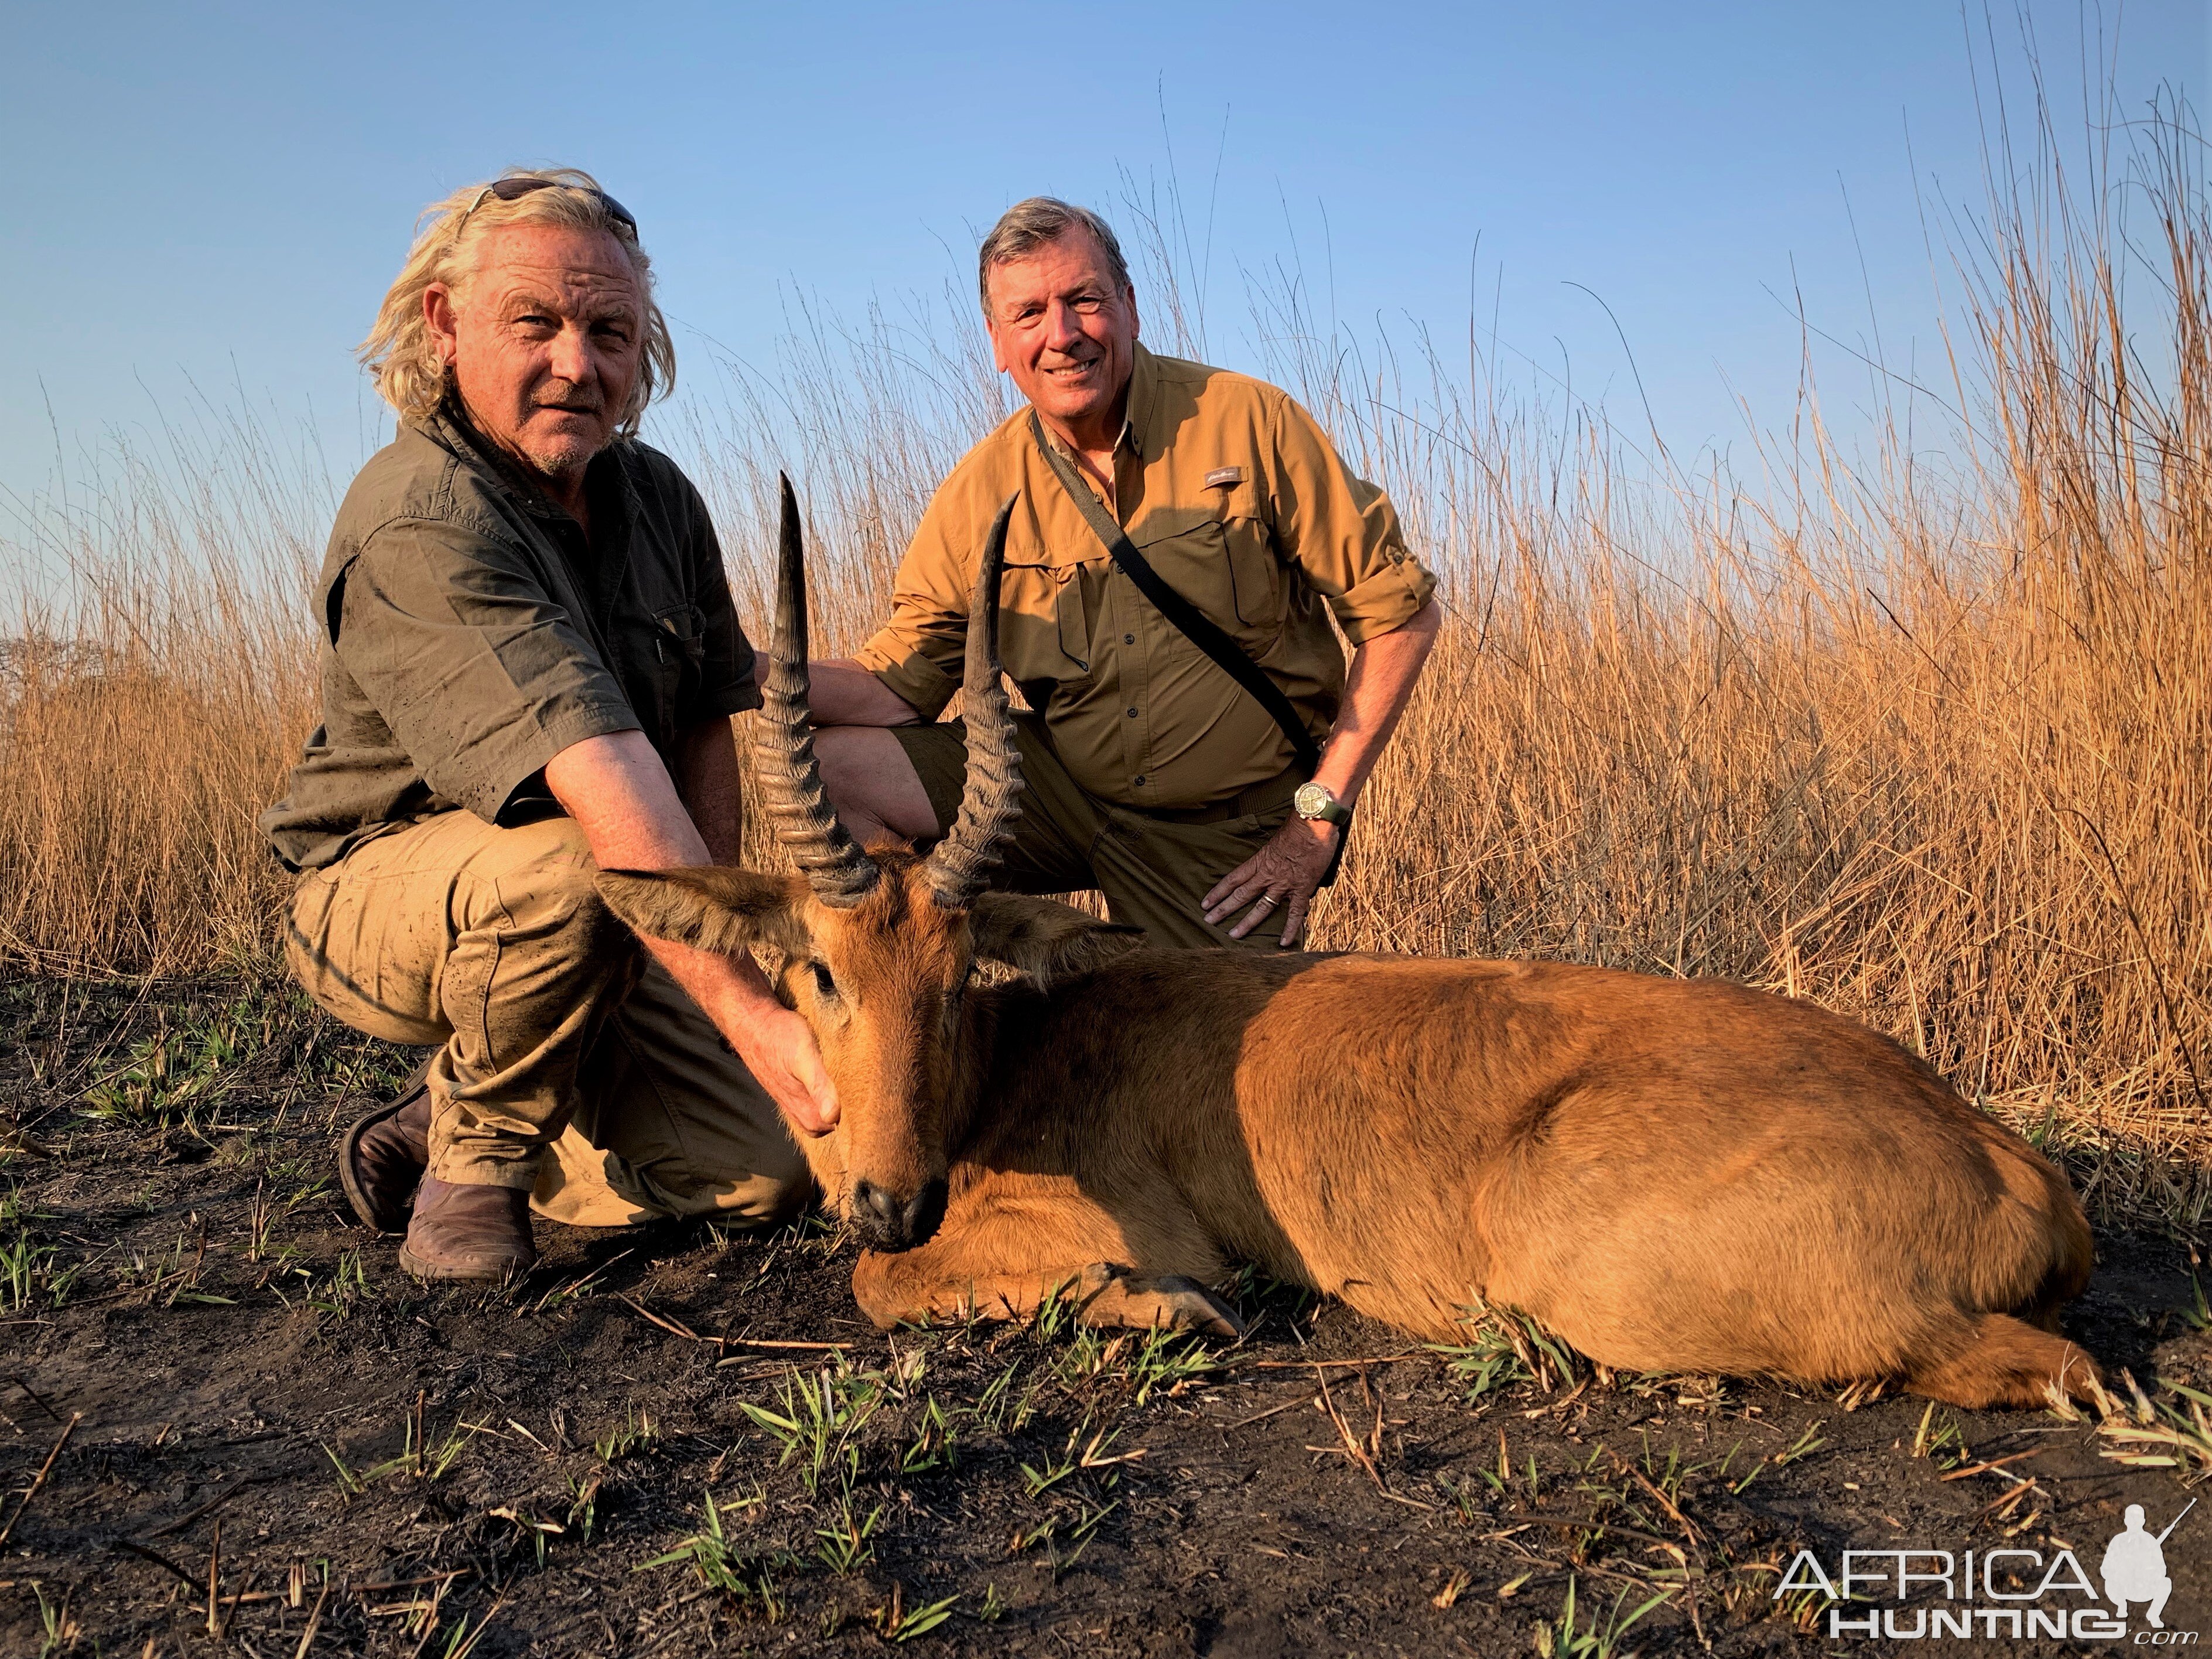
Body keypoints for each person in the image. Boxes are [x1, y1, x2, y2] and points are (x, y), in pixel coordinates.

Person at [259, 169, 833, 1282]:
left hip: (597, 908)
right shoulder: (421, 509)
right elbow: (604, 776)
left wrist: (727, 949)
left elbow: (711, 715)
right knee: (579, 868)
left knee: (769, 1167)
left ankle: (463, 1100)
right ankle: (471, 1176)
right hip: (381, 888)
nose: (579, 363)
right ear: (445, 323)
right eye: (538, 322)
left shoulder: (657, 493)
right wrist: (759, 1025)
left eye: (610, 330)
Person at [808, 198, 1441, 950]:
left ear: (1131, 308)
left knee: (1205, 1060)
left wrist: (1317, 819)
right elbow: (893, 687)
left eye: (1084, 300)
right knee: (836, 765)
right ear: (997, 341)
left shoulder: (1249, 421)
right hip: (1071, 797)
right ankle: (944, 979)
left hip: (1219, 837)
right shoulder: (979, 489)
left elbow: (1401, 615)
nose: (1063, 336)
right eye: (1030, 314)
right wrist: (739, 670)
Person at [2101, 1504, 2173, 1627]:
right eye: (2131, 1518)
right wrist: (2121, 1569)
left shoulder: (2150, 1541)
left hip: (2144, 1588)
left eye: (2137, 1518)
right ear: (2126, 1521)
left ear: (2143, 1521)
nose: (2134, 1521)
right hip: (2123, 1588)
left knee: (2166, 1583)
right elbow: (2106, 1567)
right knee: (2109, 1581)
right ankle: (2121, 1605)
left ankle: (2154, 1614)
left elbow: (2162, 1569)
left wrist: (2147, 1569)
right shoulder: (2118, 1540)